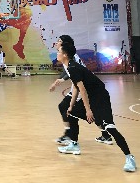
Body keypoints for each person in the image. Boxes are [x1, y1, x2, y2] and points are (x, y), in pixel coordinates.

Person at [56, 39, 136, 173]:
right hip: (91, 97)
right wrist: (71, 106)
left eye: (59, 51)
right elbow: (76, 88)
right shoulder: (70, 66)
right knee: (71, 113)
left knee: (110, 127)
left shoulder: (73, 68)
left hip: (100, 98)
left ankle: (129, 158)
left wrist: (88, 110)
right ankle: (74, 144)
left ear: (65, 55)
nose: (57, 53)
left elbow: (83, 90)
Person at [48, 35, 111, 145]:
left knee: (72, 111)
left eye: (59, 41)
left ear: (65, 45)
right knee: (67, 108)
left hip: (85, 87)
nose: (56, 43)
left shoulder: (72, 59)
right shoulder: (66, 57)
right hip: (79, 86)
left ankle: (71, 137)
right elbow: (67, 72)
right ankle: (105, 134)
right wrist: (59, 80)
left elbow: (75, 77)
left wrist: (85, 109)